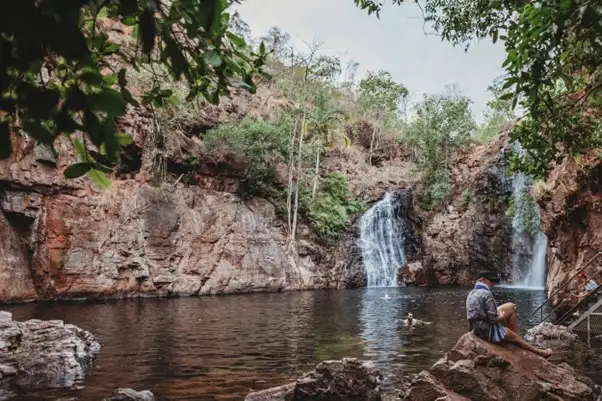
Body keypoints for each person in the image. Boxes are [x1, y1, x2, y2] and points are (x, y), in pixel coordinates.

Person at [466, 270, 552, 358]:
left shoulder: (471, 293)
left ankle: (513, 337)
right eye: (491, 281)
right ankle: (540, 352)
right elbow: (493, 320)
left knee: (511, 307)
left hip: (475, 327)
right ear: (483, 280)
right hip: (486, 330)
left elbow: (471, 315)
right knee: (516, 338)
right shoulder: (486, 293)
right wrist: (501, 316)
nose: (493, 284)